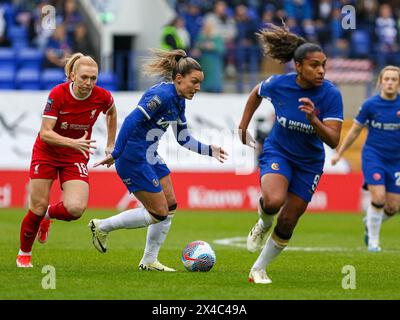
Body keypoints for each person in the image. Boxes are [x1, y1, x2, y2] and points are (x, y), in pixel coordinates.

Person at [88, 49, 228, 272]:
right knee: (159, 213)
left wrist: (208, 150)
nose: (198, 88)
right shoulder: (161, 96)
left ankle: (149, 260)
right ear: (179, 79)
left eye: (200, 83)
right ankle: (102, 226)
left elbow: (183, 139)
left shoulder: (179, 100)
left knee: (170, 204)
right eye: (194, 82)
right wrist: (116, 152)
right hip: (132, 157)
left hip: (150, 156)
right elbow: (132, 120)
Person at [238, 24, 343, 284]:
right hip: (279, 152)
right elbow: (256, 93)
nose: (320, 70)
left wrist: (313, 118)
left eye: (323, 65)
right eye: (314, 65)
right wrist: (243, 126)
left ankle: (258, 269)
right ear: (298, 66)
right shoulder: (279, 84)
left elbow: (333, 140)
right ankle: (262, 224)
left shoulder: (330, 94)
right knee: (273, 202)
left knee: (287, 221)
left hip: (309, 164)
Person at [16, 53, 117, 268]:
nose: (89, 83)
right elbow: (45, 133)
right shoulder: (58, 94)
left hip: (74, 156)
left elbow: (111, 111)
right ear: (72, 75)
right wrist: (73, 143)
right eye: (84, 77)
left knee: (75, 209)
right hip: (47, 152)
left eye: (93, 78)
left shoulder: (102, 96)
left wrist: (111, 144)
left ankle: (48, 216)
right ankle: (24, 254)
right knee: (37, 205)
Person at [331, 65, 400, 252]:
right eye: (387, 79)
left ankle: (369, 220)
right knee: (378, 198)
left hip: (396, 161)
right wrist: (339, 153)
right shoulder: (370, 105)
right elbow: (354, 131)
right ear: (380, 82)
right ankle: (373, 242)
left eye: (394, 79)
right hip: (374, 156)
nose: (390, 83)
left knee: (393, 207)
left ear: (398, 83)